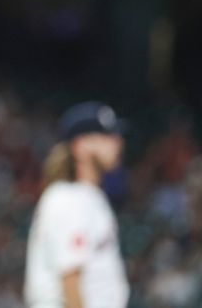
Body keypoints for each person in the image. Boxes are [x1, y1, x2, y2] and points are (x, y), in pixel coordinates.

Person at [24, 101, 130, 308]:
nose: (117, 142)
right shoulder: (67, 198)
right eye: (106, 136)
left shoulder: (89, 197)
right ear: (80, 146)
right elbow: (70, 279)